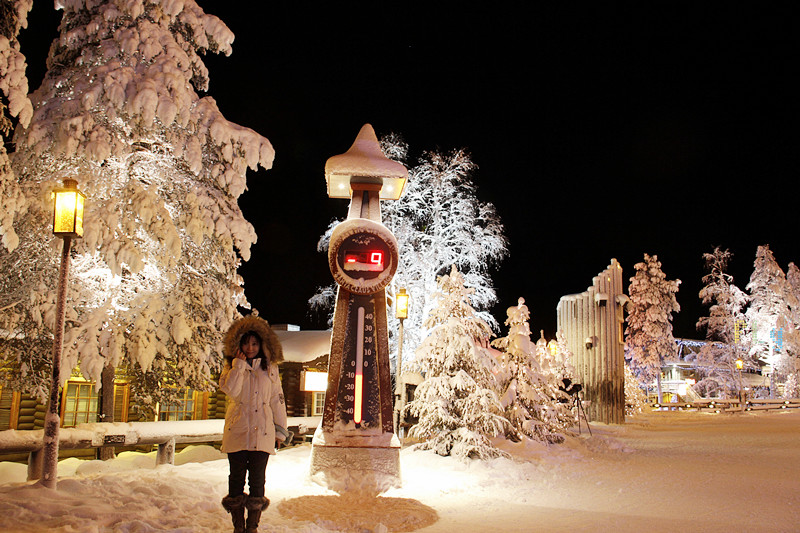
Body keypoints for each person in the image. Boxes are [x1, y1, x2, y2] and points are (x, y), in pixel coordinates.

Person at [219, 315, 289, 533]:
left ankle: (252, 527)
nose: (250, 348)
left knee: (258, 482)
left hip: (263, 433)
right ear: (238, 344)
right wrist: (239, 365)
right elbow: (230, 391)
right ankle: (238, 527)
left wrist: (280, 431)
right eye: (246, 343)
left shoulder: (270, 369)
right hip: (237, 432)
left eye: (254, 343)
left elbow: (277, 400)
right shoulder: (231, 367)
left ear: (262, 345)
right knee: (236, 481)